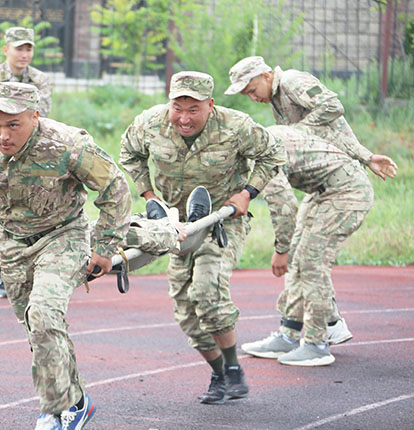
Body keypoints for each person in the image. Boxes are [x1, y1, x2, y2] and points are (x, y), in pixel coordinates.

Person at [0, 82, 131, 430]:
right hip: (13, 242)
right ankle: (76, 401)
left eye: (13, 124)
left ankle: (57, 409)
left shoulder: (68, 145)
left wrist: (105, 247)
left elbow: (115, 189)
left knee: (45, 314)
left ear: (35, 116)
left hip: (63, 235)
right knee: (38, 330)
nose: (3, 135)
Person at [119, 71, 286, 405]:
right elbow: (129, 153)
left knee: (207, 291)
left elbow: (273, 154)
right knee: (185, 310)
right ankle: (221, 372)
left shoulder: (236, 126)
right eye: (177, 107)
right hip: (175, 226)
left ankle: (235, 369)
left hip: (222, 222)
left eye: (193, 109)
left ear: (210, 105)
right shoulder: (149, 123)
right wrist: (149, 194)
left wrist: (247, 193)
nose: (184, 117)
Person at [224, 56, 399, 342]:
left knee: (308, 258)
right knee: (300, 255)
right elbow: (326, 138)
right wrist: (366, 156)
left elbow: (333, 108)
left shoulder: (293, 81)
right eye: (245, 94)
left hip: (342, 185)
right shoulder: (276, 104)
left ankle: (321, 334)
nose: (251, 97)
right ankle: (308, 327)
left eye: (251, 89)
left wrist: (363, 157)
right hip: (323, 184)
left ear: (267, 75)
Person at [242, 125, 396, 366]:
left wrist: (281, 250)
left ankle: (317, 343)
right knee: (299, 259)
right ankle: (289, 334)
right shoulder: (255, 135)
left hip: (347, 192)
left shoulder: (260, 153)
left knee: (311, 261)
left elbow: (284, 206)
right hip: (321, 192)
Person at [0, 27, 53, 298]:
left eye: (28, 48)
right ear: (6, 49)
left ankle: (28, 270)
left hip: (33, 153)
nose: (24, 54)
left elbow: (40, 113)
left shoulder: (40, 79)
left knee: (32, 210)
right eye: (19, 48)